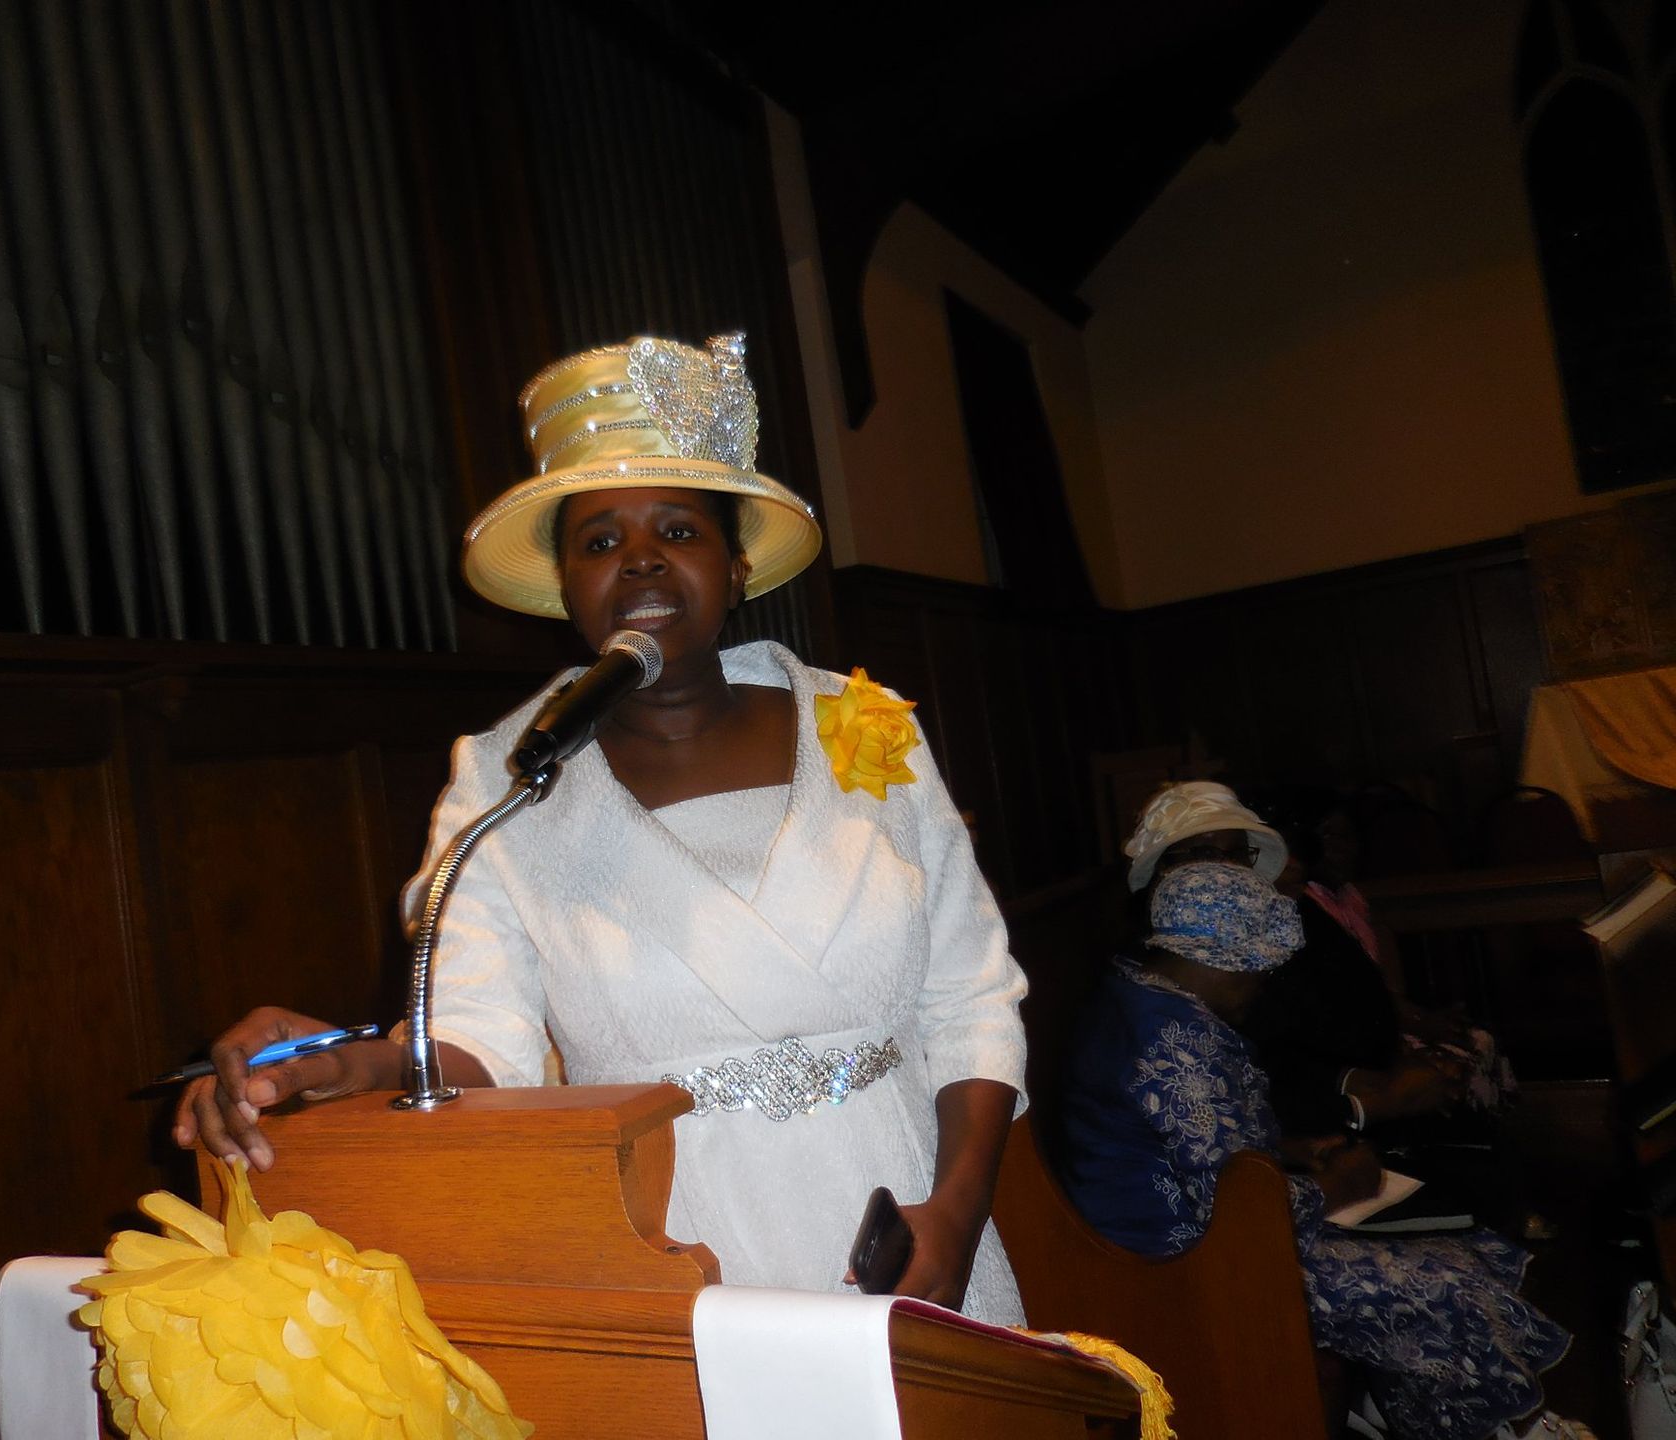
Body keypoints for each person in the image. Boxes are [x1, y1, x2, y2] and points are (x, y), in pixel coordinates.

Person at [173, 333, 1031, 1323]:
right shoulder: (500, 780)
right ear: (568, 587)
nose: (639, 561)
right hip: (679, 1249)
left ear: (738, 565)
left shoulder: (865, 730)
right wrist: (338, 1065)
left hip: (913, 1221)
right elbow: (479, 1039)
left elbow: (970, 993)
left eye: (678, 528)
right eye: (598, 542)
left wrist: (960, 1214)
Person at [1060, 861, 1586, 1440]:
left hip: (1187, 1232)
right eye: (1256, 972)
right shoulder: (1177, 1043)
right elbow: (1234, 1220)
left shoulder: (1134, 990)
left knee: (1468, 1257)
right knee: (1448, 1291)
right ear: (1217, 960)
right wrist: (1341, 1186)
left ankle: (1464, 1422)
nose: (1259, 987)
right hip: (1186, 1264)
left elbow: (1169, 1134)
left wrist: (1287, 1147)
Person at [1125, 780, 1475, 1137]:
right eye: (1204, 853)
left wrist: (1365, 1077)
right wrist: (1363, 1102)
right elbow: (1232, 1113)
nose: (1228, 869)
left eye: (1239, 854)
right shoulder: (1169, 977)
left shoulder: (1278, 915)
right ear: (1161, 872)